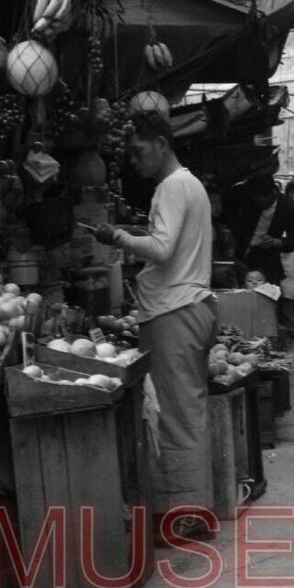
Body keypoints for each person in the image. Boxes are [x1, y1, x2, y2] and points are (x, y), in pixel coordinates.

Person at [94, 112, 218, 542]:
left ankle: (186, 516)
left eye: (139, 151)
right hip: (189, 307)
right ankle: (192, 509)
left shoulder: (172, 187)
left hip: (174, 311)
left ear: (162, 143)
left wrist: (118, 238)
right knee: (186, 412)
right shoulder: (190, 185)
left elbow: (162, 249)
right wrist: (132, 232)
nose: (134, 160)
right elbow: (172, 243)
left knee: (177, 417)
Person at [234, 173, 294, 369]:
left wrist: (277, 242)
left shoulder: (288, 208)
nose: (256, 201)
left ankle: (264, 358)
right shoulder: (247, 203)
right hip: (243, 259)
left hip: (271, 262)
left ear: (271, 194)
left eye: (260, 197)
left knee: (273, 312)